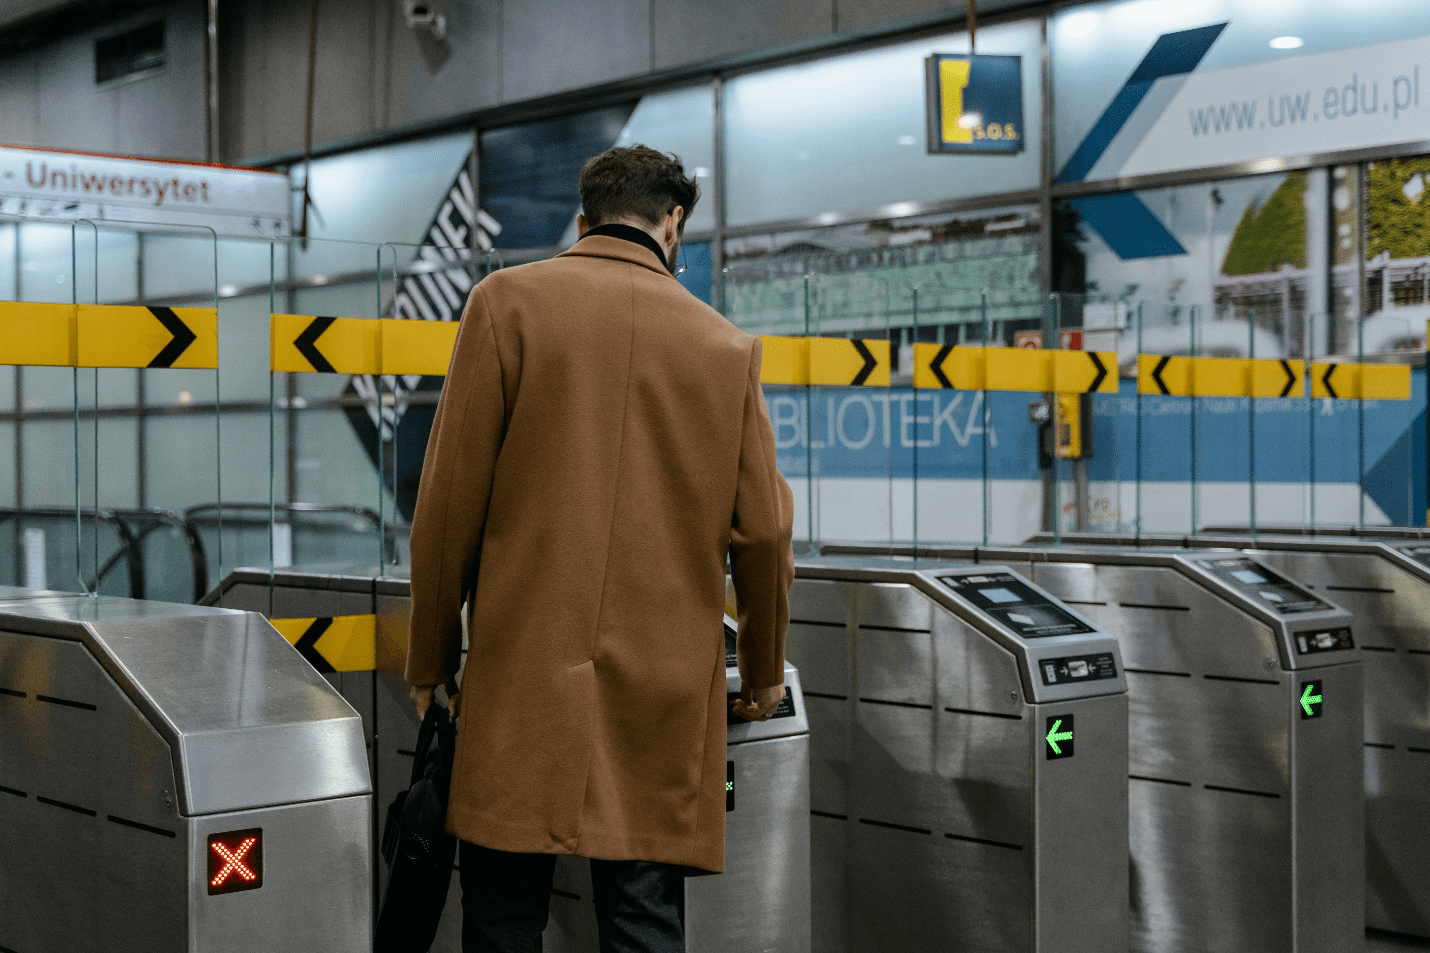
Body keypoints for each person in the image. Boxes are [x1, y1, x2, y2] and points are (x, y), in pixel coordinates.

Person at [404, 144, 794, 953]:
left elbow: (446, 511)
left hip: (520, 686)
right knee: (643, 920)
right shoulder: (725, 347)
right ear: (673, 222)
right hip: (660, 703)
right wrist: (759, 677)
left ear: (583, 219)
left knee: (505, 915)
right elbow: (765, 533)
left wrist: (431, 660)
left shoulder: (504, 304)